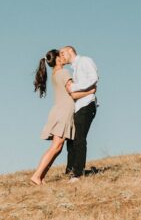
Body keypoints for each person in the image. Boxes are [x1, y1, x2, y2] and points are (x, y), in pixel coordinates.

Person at [31, 49, 97, 185]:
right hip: (63, 113)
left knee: (58, 147)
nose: (63, 57)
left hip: (58, 111)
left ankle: (40, 177)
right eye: (60, 55)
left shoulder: (55, 74)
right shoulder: (64, 73)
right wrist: (91, 91)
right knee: (56, 147)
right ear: (57, 60)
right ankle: (37, 176)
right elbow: (72, 93)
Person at [59, 46, 98, 183]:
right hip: (77, 107)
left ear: (70, 51)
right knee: (71, 139)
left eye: (63, 53)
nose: (61, 56)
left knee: (79, 138)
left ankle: (77, 173)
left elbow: (94, 78)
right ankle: (70, 170)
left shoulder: (85, 61)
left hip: (87, 105)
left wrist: (73, 87)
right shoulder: (74, 69)